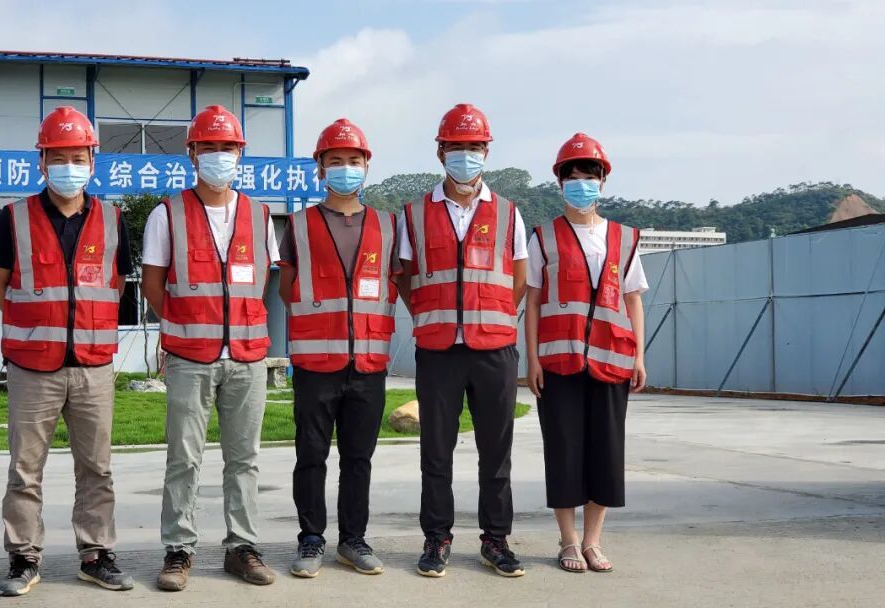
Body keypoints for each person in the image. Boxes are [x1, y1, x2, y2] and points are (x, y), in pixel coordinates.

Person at [0, 106, 135, 596]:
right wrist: (40, 326)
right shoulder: (12, 219)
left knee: (97, 468)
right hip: (33, 367)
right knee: (25, 470)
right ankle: (23, 558)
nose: (68, 166)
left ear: (92, 160)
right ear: (42, 162)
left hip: (93, 366)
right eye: (58, 157)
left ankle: (96, 554)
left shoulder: (113, 219)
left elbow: (117, 285)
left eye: (78, 157)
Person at [141, 105, 279, 591]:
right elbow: (153, 284)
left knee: (245, 459)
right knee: (184, 458)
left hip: (247, 358)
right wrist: (188, 326)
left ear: (240, 154)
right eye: (210, 147)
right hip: (189, 358)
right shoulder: (167, 214)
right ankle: (178, 549)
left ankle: (242, 547)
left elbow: (261, 283)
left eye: (228, 148)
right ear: (193, 153)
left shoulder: (260, 215)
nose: (219, 156)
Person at [394, 104, 529, 578]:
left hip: (494, 348)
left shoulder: (509, 213)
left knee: (496, 451)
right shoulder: (414, 213)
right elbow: (404, 277)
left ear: (486, 152)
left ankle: (496, 539)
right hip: (438, 350)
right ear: (440, 152)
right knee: (436, 451)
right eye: (457, 147)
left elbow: (518, 279)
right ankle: (437, 538)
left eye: (474, 147)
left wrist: (490, 316)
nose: (466, 156)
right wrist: (431, 315)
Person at [277, 119, 400, 578]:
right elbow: (288, 287)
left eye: (353, 160)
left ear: (366, 166)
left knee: (358, 458)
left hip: (368, 362)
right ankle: (311, 540)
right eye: (335, 161)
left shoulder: (387, 225)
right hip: (315, 364)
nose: (345, 168)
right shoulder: (299, 225)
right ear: (320, 168)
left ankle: (353, 540)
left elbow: (394, 284)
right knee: (311, 456)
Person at [523, 132, 648, 574]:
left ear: (602, 182)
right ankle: (568, 541)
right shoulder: (543, 237)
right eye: (572, 177)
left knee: (605, 453)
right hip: (559, 363)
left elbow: (632, 300)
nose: (581, 184)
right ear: (560, 183)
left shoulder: (623, 238)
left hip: (612, 361)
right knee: (563, 450)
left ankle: (594, 541)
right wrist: (532, 359)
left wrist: (639, 356)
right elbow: (533, 301)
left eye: (589, 176)